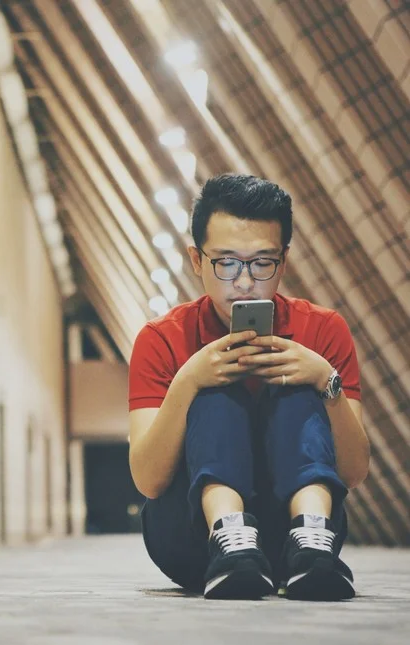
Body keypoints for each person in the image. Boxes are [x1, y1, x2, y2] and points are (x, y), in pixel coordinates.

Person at [129, 174, 369, 601]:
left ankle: (311, 536)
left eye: (262, 262)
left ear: (284, 260)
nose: (243, 282)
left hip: (300, 548)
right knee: (214, 391)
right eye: (226, 262)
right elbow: (148, 480)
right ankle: (230, 535)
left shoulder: (323, 330)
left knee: (297, 382)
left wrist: (324, 380)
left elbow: (353, 473)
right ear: (196, 260)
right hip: (194, 540)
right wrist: (188, 381)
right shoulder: (162, 337)